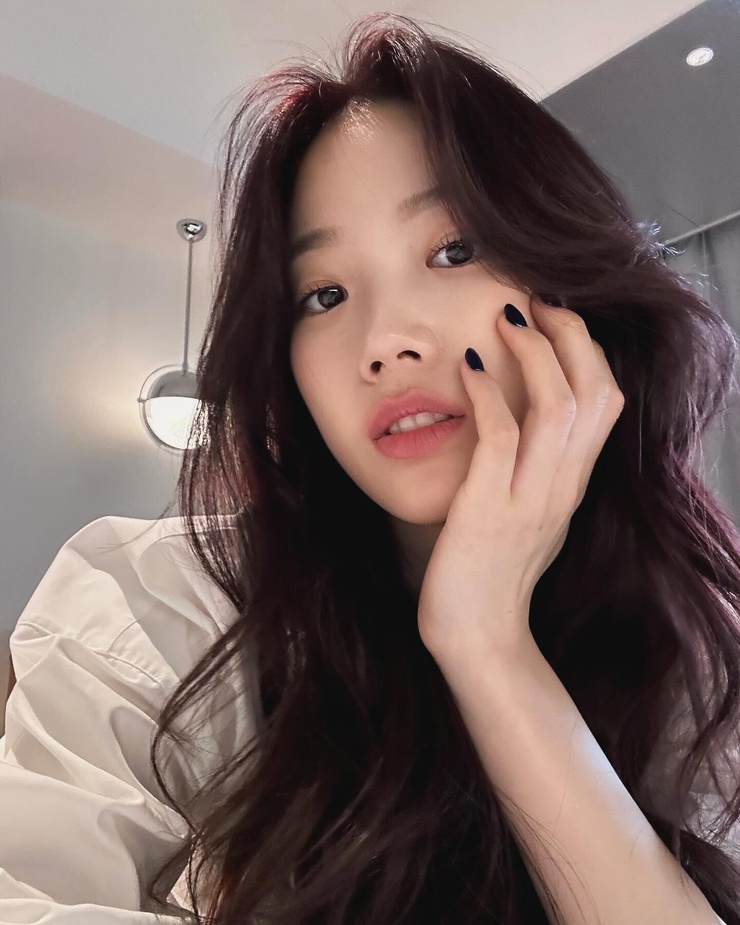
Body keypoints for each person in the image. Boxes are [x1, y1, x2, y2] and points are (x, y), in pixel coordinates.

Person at [1, 12, 739, 925]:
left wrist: (487, 644)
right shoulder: (157, 607)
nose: (385, 342)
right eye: (324, 295)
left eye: (453, 251)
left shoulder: (694, 655)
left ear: (570, 296)